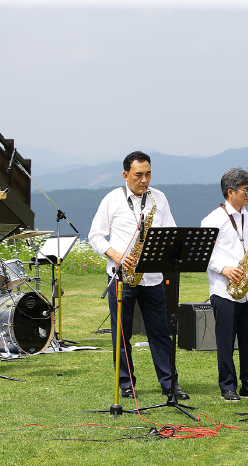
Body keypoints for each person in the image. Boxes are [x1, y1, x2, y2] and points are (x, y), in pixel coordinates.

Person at [88, 151, 189, 400]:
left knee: (160, 332)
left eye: (148, 174)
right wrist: (118, 254)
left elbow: (171, 231)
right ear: (125, 175)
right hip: (122, 276)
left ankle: (169, 383)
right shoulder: (112, 199)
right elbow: (95, 236)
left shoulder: (159, 198)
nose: (145, 180)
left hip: (152, 277)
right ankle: (126, 382)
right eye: (138, 175)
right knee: (122, 333)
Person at [200, 168, 248, 402]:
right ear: (231, 192)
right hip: (224, 289)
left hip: (247, 291)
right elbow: (204, 254)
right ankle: (227, 386)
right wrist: (224, 268)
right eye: (246, 189)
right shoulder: (212, 219)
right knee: (226, 341)